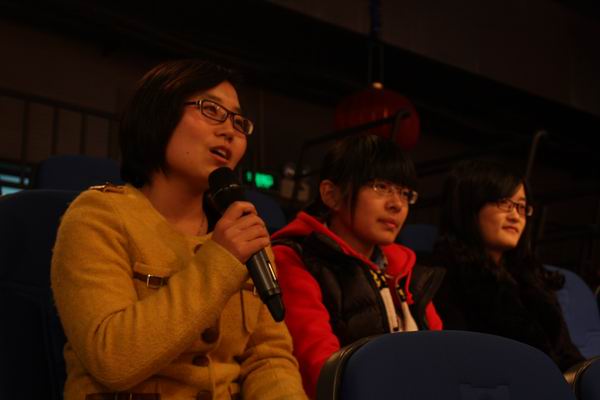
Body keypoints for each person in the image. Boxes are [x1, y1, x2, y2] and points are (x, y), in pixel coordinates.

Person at [51, 59, 307, 400]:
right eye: (211, 110)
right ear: (158, 114)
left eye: (238, 121)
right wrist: (221, 260)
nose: (230, 131)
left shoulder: (241, 230)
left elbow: (268, 357)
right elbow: (112, 359)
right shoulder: (99, 216)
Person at [271, 134, 444, 398]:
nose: (397, 204)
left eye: (404, 193)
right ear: (331, 195)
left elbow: (443, 358)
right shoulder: (295, 258)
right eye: (380, 187)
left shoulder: (405, 270)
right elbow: (322, 370)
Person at [432, 159, 584, 372]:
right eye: (504, 203)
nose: (515, 216)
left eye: (521, 206)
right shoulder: (443, 274)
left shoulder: (531, 278)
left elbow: (568, 355)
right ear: (470, 205)